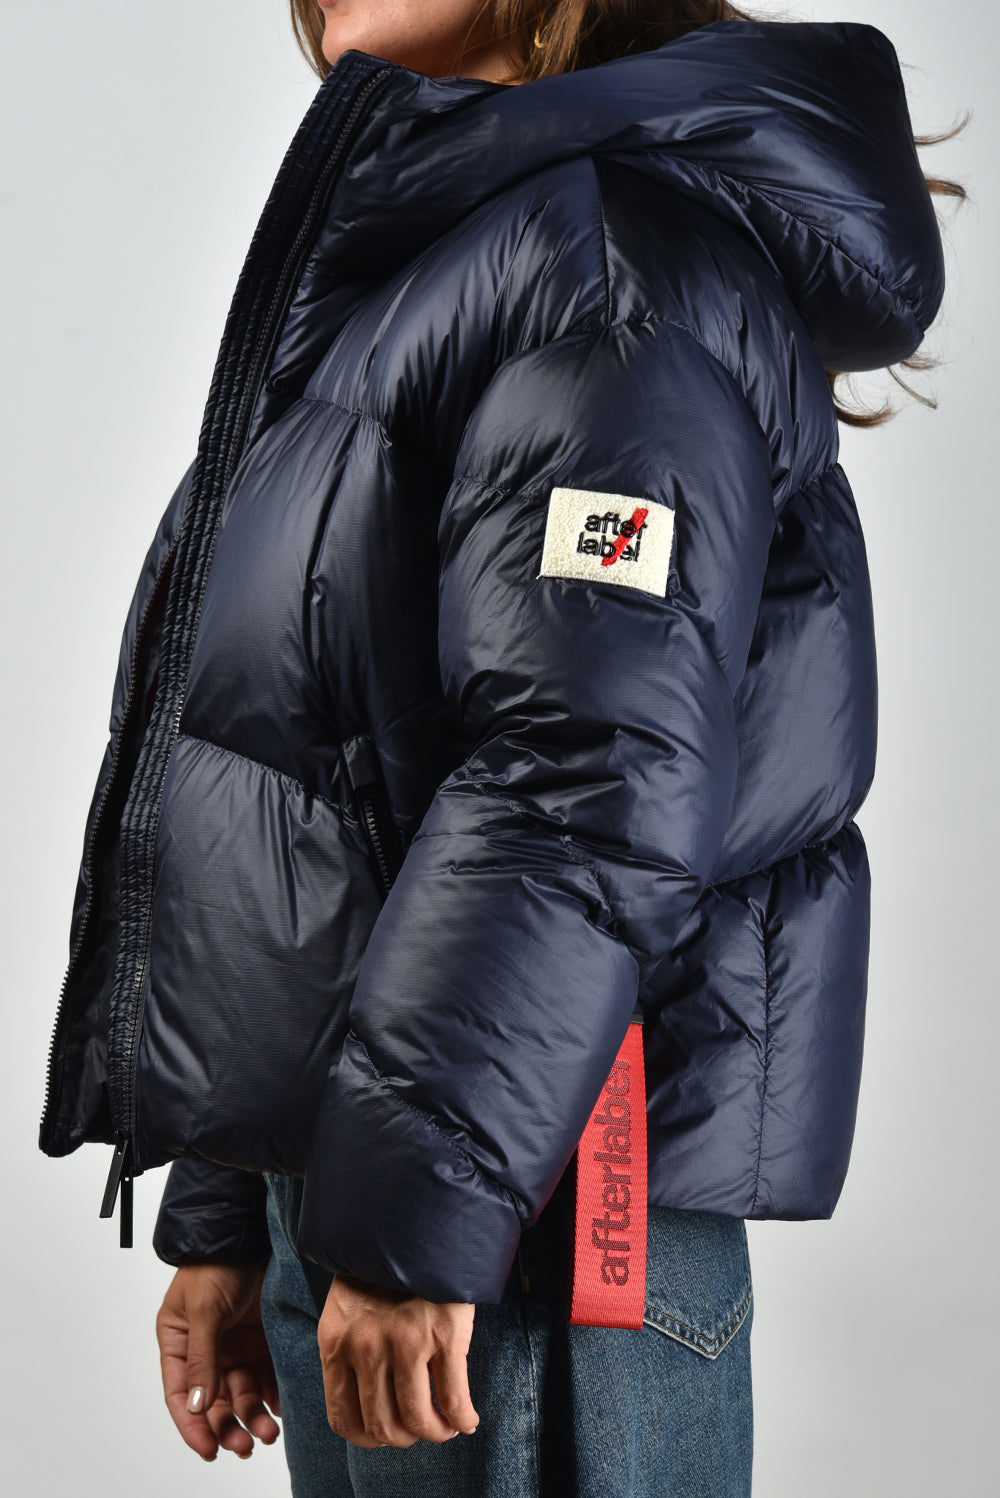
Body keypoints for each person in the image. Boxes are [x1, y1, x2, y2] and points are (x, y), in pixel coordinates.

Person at [38, 2, 961, 1494]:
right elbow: (305, 781)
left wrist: (418, 1218)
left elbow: (584, 776)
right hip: (392, 1202)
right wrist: (230, 1208)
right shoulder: (440, 265)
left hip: (516, 1224)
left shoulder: (608, 270)